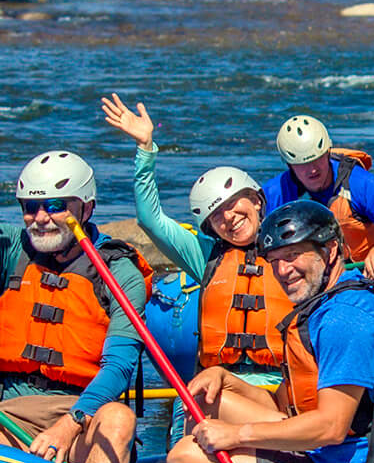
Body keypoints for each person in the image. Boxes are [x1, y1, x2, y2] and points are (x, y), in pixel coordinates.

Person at [166, 201, 374, 463]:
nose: (282, 271)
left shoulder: (345, 318)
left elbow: (330, 427)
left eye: (293, 256)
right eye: (274, 261)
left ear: (330, 250)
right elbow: (286, 406)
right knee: (210, 400)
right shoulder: (324, 305)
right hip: (329, 459)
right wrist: (226, 379)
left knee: (185, 458)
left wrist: (236, 435)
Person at [0, 86, 147, 463]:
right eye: (31, 207)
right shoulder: (11, 249)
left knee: (119, 418)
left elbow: (120, 365)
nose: (41, 218)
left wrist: (69, 425)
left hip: (83, 415)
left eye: (56, 206)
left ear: (87, 208)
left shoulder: (118, 270)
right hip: (14, 416)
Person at [102, 93, 289, 406]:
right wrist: (145, 150)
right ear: (210, 227)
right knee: (184, 422)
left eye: (233, 203)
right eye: (216, 215)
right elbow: (150, 220)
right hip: (217, 386)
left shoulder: (292, 248)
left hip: (279, 386)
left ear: (257, 201)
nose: (228, 217)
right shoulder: (205, 256)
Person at [265, 115, 374, 284]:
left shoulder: (360, 183)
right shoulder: (275, 192)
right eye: (302, 164)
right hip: (309, 278)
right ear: (289, 164)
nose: (312, 170)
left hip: (362, 273)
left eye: (317, 159)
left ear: (328, 152)